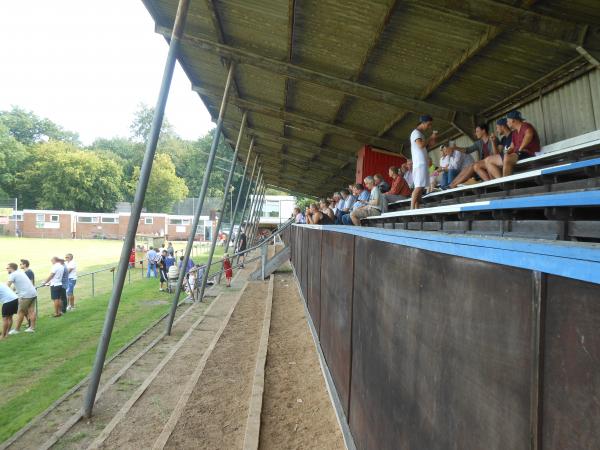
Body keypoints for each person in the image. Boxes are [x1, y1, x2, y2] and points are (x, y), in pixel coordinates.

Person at [485, 111, 540, 178]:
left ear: (513, 120)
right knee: (488, 160)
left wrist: (520, 149)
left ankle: (505, 182)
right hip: (517, 154)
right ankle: (501, 182)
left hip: (528, 153)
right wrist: (506, 152)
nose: (507, 123)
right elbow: (512, 146)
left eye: (508, 121)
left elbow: (529, 134)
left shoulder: (525, 125)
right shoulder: (514, 132)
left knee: (507, 158)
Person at [449, 124, 494, 188]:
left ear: (483, 131)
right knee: (469, 166)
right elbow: (468, 150)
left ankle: (454, 185)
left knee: (473, 165)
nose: (476, 133)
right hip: (483, 163)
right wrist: (456, 148)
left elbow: (494, 154)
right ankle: (452, 184)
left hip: (490, 162)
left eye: (477, 131)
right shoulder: (479, 143)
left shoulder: (492, 139)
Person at [410, 115, 438, 209]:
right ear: (423, 123)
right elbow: (420, 145)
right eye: (429, 124)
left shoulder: (420, 134)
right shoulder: (415, 133)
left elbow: (424, 147)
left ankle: (416, 208)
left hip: (422, 163)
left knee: (421, 187)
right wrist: (430, 138)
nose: (429, 127)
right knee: (418, 187)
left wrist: (431, 142)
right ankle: (411, 209)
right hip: (419, 163)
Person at [6, 262, 37, 333]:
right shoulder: (20, 272)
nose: (7, 269)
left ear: (11, 268)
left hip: (26, 295)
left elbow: (7, 286)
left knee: (20, 312)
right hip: (33, 293)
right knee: (31, 311)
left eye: (8, 268)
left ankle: (17, 329)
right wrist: (14, 289)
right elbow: (17, 283)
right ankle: (32, 328)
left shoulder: (12, 275)